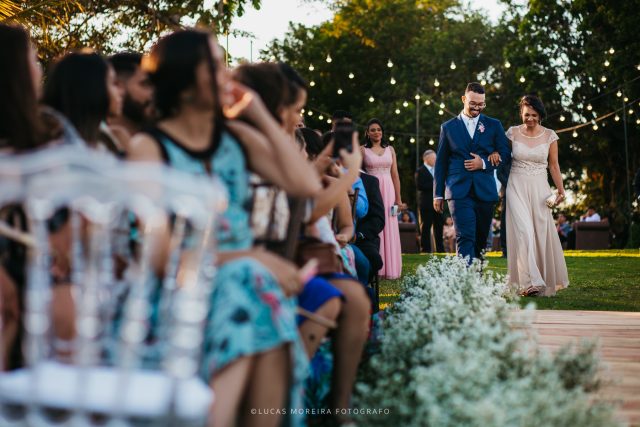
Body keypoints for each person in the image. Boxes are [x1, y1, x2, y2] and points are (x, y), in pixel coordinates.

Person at [128, 29, 321, 427]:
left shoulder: (234, 138)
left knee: (248, 282)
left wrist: (259, 114)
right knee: (248, 280)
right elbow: (161, 257)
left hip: (244, 280)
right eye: (216, 67)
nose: (227, 76)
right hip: (178, 291)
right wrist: (252, 257)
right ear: (185, 82)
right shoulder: (149, 148)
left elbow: (304, 184)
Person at [433, 82, 511, 263]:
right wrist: (438, 194)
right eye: (473, 103)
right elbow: (441, 163)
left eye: (481, 104)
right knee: (465, 236)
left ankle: (477, 277)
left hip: (485, 190)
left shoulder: (494, 125)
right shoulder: (448, 127)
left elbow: (506, 154)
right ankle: (465, 277)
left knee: (481, 240)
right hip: (458, 190)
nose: (477, 108)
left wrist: (484, 163)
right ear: (463, 99)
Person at [504, 94, 569, 297]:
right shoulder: (512, 133)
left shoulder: (550, 135)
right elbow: (503, 159)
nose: (530, 118)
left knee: (539, 232)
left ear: (540, 115)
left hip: (540, 188)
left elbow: (554, 166)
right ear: (521, 114)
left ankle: (539, 279)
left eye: (534, 115)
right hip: (516, 186)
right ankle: (531, 282)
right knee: (523, 231)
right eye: (526, 115)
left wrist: (561, 190)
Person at [43, 51, 125, 156]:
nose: (121, 92)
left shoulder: (106, 142)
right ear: (94, 87)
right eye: (113, 83)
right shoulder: (54, 148)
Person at [361, 118, 403, 279]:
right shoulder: (362, 150)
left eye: (379, 129)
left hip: (389, 189)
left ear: (382, 132)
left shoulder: (390, 150)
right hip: (371, 190)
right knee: (374, 222)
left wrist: (398, 199)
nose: (376, 132)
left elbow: (395, 175)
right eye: (372, 130)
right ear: (367, 133)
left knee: (390, 224)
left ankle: (391, 268)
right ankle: (377, 266)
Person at [108, 52, 155, 136]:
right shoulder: (91, 141)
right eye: (145, 84)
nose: (153, 92)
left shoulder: (161, 140)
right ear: (117, 86)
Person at [416, 149, 444, 253]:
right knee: (425, 227)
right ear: (426, 159)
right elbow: (420, 186)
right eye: (433, 158)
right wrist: (436, 185)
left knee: (439, 227)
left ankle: (440, 250)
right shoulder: (420, 171)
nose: (435, 160)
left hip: (438, 204)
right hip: (426, 204)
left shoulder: (438, 170)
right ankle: (425, 250)